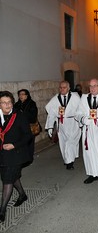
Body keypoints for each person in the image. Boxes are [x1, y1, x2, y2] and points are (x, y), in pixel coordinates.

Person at [0, 91, 32, 222]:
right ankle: (22, 195)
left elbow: (28, 135)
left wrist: (14, 145)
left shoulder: (19, 116)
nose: (7, 105)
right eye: (3, 103)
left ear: (12, 103)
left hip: (15, 153)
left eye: (9, 102)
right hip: (2, 154)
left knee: (7, 180)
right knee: (12, 177)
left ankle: (2, 210)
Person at [45, 81, 82, 170]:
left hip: (73, 123)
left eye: (64, 87)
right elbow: (51, 113)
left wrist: (82, 122)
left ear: (69, 88)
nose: (62, 89)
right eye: (61, 87)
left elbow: (81, 110)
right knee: (63, 143)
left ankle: (70, 162)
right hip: (62, 124)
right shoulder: (55, 99)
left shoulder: (75, 97)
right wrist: (50, 126)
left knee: (71, 141)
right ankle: (67, 158)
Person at [14, 89, 39, 164]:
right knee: (22, 144)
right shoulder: (16, 104)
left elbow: (33, 116)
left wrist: (23, 114)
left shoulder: (31, 104)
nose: (21, 96)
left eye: (23, 94)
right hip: (19, 128)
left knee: (29, 144)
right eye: (20, 94)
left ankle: (29, 159)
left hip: (29, 127)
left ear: (27, 95)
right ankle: (23, 158)